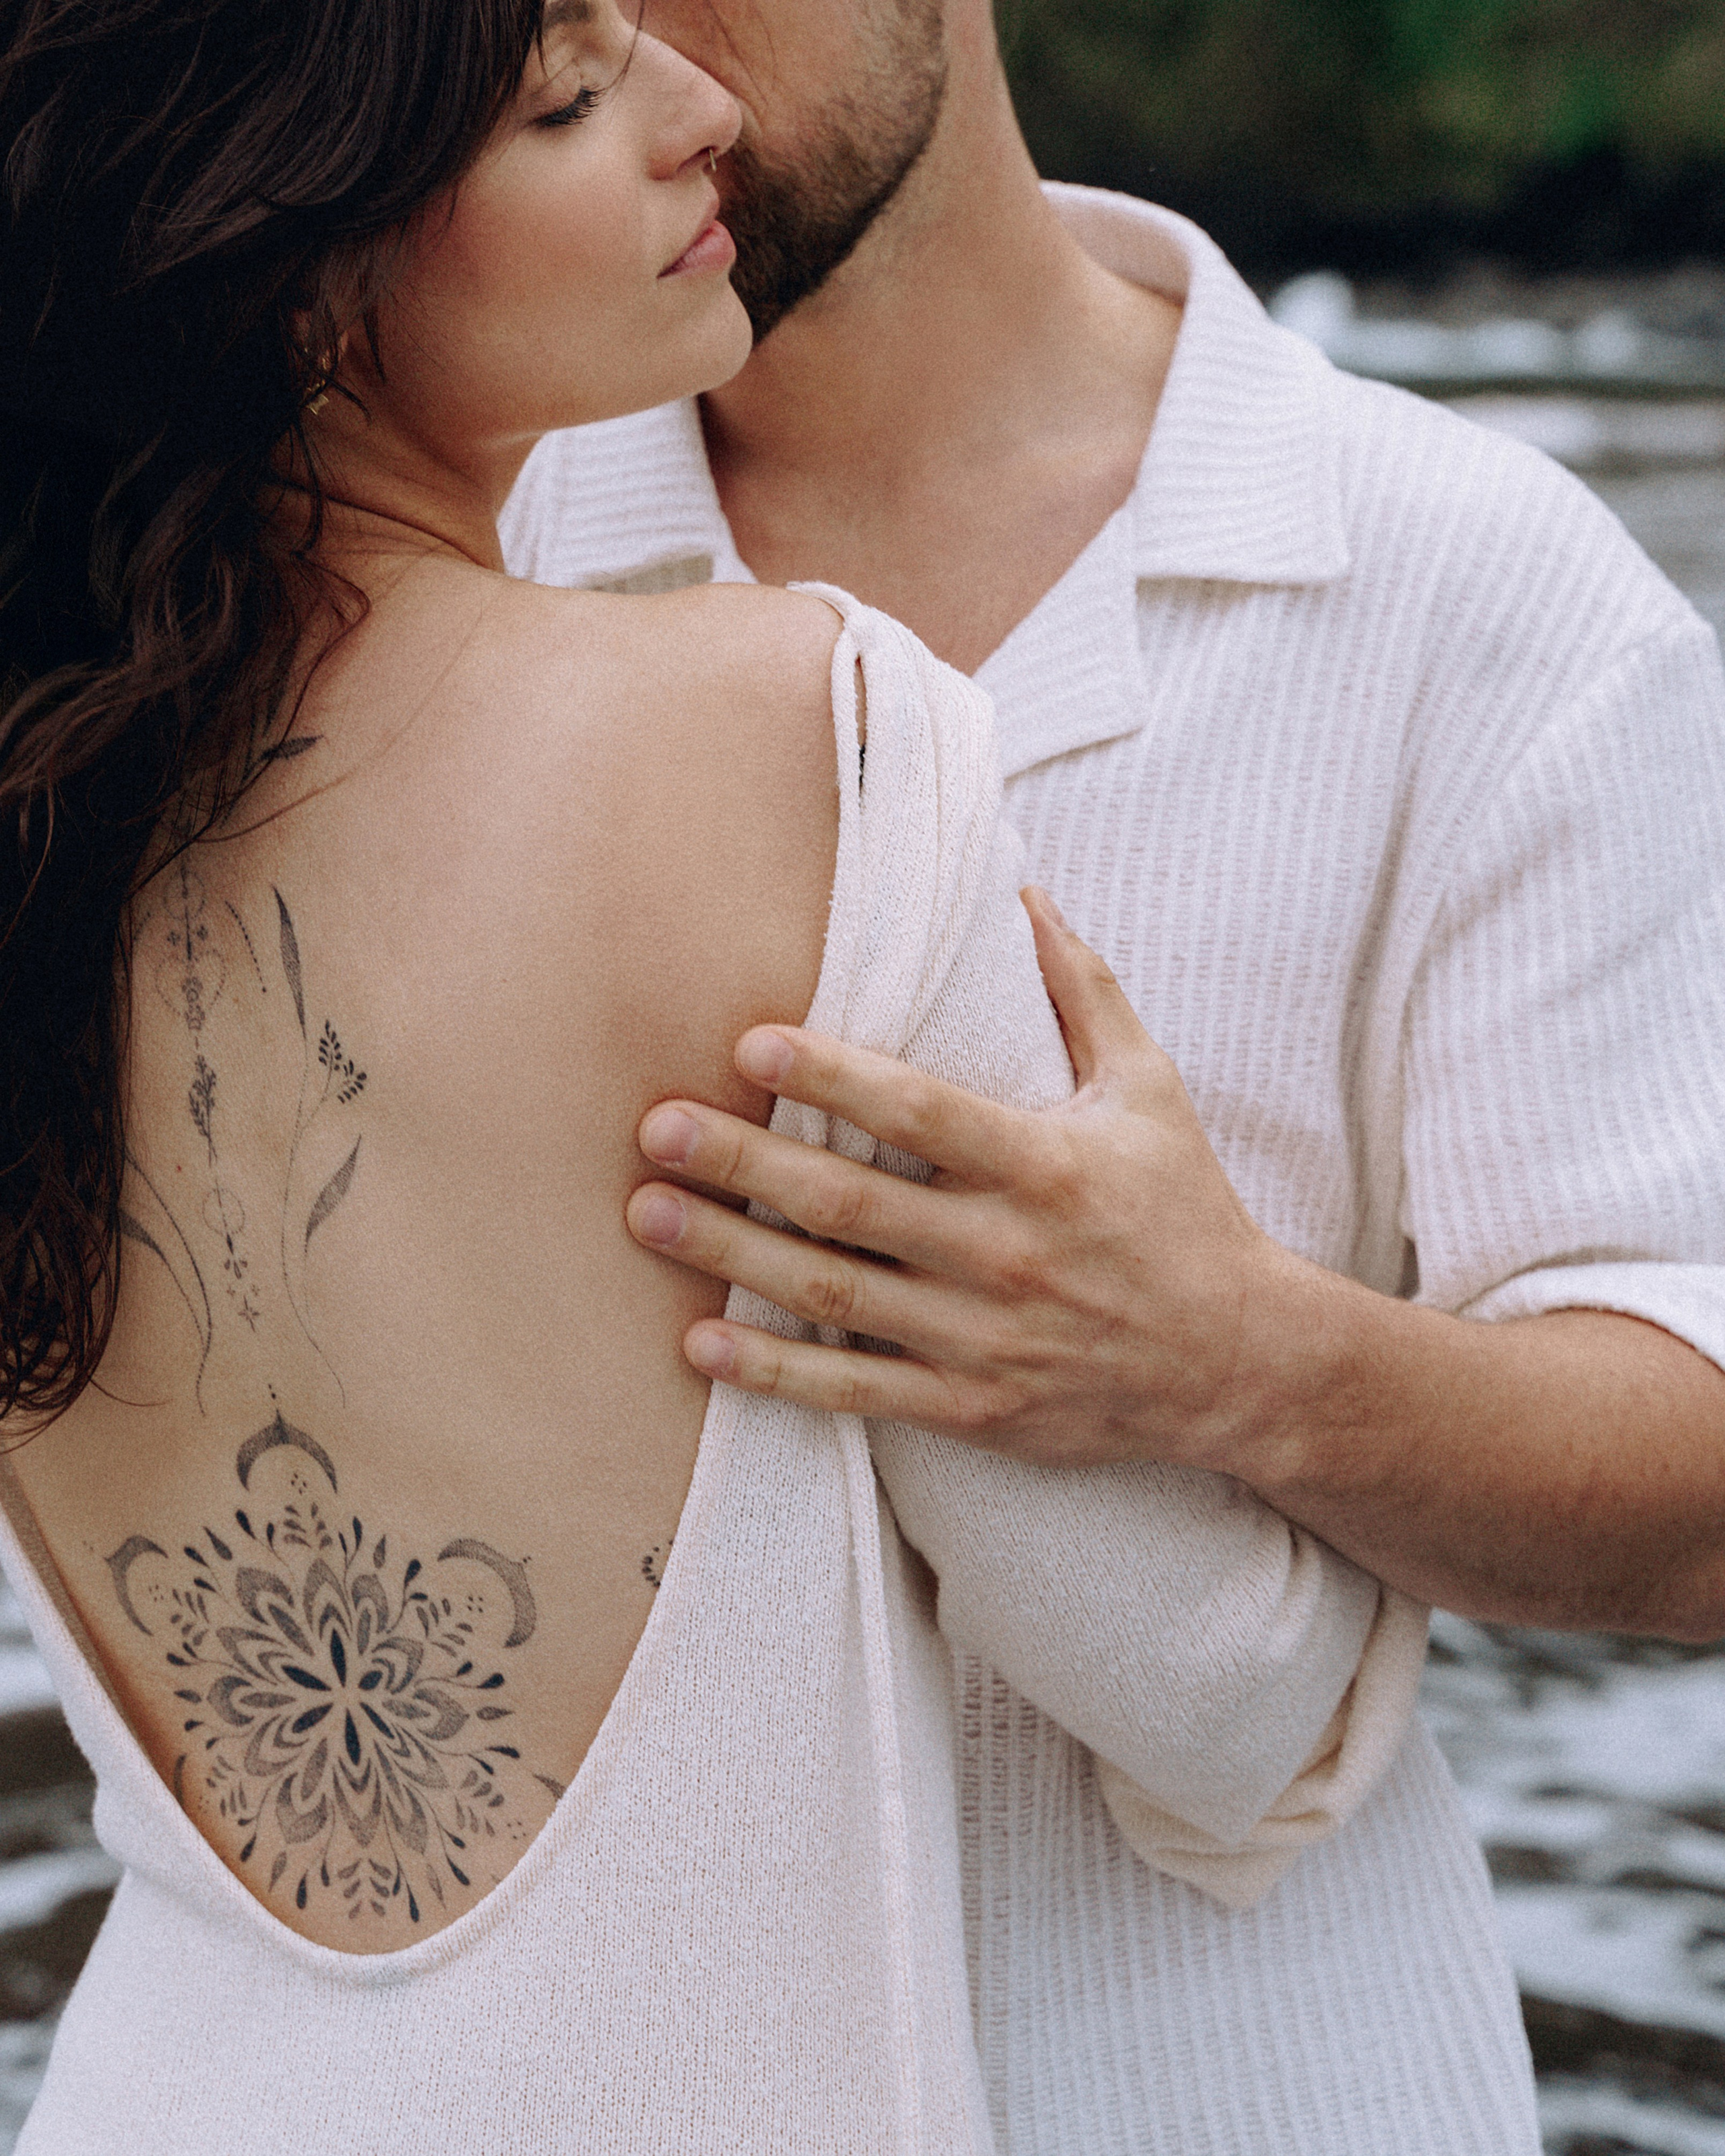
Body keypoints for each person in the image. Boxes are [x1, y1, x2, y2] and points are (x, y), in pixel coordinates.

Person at [0, 0, 1454, 2148]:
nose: (701, 111)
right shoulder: (798, 732)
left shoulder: (44, 832)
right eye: (570, 99)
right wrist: (1247, 1341)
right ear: (295, 267)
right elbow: (1210, 1696)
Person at [499, 0, 1725, 2146]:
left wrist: (1243, 1355)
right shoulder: (412, 565)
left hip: (1256, 2085)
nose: (642, 65)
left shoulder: (1491, 590)